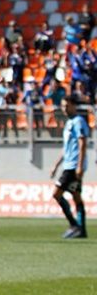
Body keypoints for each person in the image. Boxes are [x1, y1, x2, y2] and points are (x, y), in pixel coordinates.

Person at [49, 94, 88, 239]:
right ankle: (81, 230)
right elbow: (66, 149)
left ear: (73, 106)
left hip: (73, 166)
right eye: (63, 106)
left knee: (56, 194)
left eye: (67, 106)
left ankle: (74, 225)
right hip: (68, 164)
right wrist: (56, 165)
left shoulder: (78, 121)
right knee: (76, 196)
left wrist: (79, 166)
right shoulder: (69, 123)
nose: (64, 109)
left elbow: (82, 143)